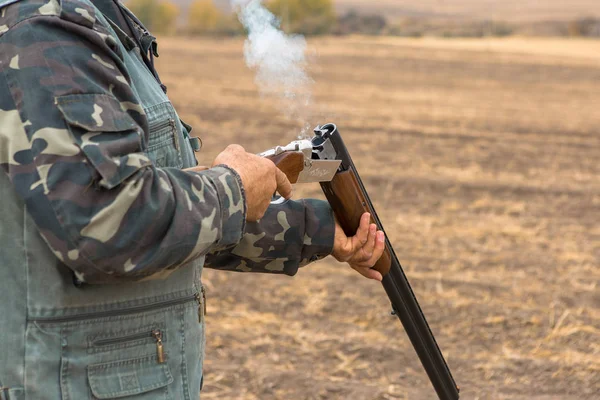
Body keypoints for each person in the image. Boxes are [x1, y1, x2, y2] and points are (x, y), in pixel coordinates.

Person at [0, 0, 385, 398]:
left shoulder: (96, 19)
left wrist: (317, 231)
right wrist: (233, 188)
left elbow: (161, 208)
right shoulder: (42, 28)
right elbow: (107, 224)